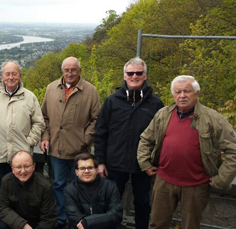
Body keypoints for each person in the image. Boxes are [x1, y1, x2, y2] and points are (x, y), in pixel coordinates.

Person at [137, 75, 236, 229]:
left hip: (196, 185)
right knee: (157, 224)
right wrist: (145, 164)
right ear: (173, 95)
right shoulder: (163, 114)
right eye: (178, 92)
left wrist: (222, 179)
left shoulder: (213, 119)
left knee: (191, 226)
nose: (182, 95)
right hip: (163, 182)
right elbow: (145, 139)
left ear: (196, 93)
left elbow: (233, 150)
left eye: (187, 91)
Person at [93, 57, 163, 229]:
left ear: (145, 76)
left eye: (138, 73)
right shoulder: (112, 101)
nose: (134, 76)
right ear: (124, 76)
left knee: (143, 203)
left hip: (143, 165)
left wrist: (157, 163)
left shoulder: (155, 104)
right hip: (114, 163)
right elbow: (100, 133)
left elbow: (162, 136)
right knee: (112, 204)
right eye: (130, 73)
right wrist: (100, 162)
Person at [40, 56, 101, 228]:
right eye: (67, 70)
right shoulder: (51, 88)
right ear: (62, 71)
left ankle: (78, 220)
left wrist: (84, 139)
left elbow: (97, 120)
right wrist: (45, 138)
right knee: (58, 184)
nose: (70, 73)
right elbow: (43, 117)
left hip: (80, 152)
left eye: (73, 69)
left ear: (79, 70)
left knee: (81, 185)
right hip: (56, 149)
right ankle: (61, 218)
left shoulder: (90, 91)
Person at [0, 61, 45, 187]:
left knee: (22, 190)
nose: (11, 77)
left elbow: (39, 123)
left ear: (20, 75)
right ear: (2, 76)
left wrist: (29, 142)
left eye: (14, 74)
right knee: (0, 189)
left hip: (22, 155)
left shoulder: (29, 97)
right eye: (7, 74)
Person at [0, 150, 57, 229]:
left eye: (27, 166)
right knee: (0, 226)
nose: (23, 171)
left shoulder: (45, 186)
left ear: (33, 166)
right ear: (12, 169)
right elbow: (2, 208)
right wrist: (23, 225)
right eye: (18, 167)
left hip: (36, 225)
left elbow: (49, 219)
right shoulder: (6, 181)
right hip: (15, 224)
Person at [64, 153, 123, 229]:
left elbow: (116, 215)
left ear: (97, 170)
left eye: (90, 168)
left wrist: (88, 222)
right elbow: (73, 216)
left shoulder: (110, 186)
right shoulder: (69, 190)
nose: (86, 171)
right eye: (82, 168)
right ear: (76, 172)